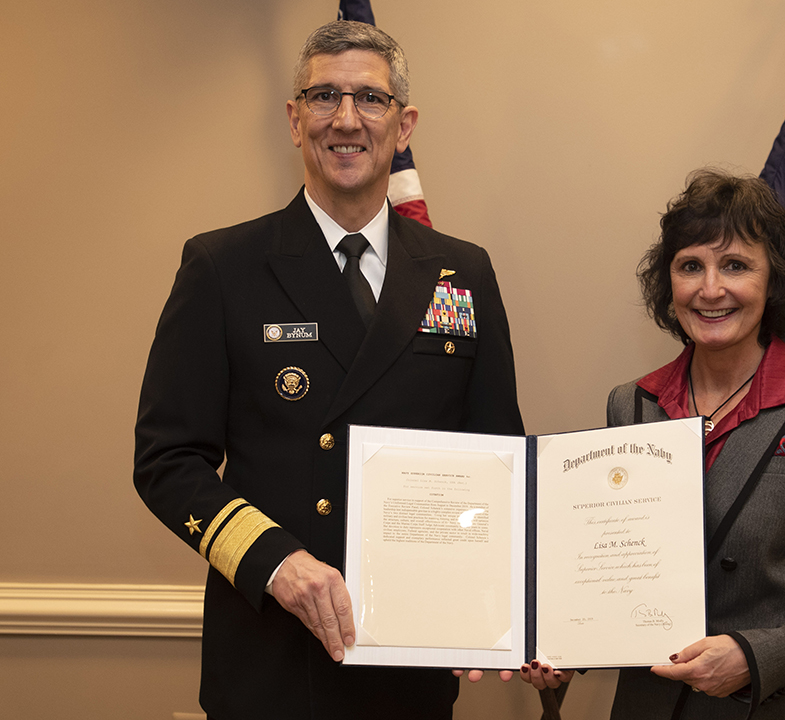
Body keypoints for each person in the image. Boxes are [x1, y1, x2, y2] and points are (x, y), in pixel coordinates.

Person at [134, 20, 523, 720]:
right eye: (323, 97)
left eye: (370, 100)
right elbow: (167, 460)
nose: (346, 120)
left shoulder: (461, 271)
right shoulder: (223, 267)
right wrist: (277, 563)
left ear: (403, 125)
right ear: (293, 120)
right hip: (269, 661)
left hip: (409, 664)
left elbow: (497, 456)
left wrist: (503, 606)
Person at [519, 169, 785, 718]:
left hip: (772, 706)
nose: (710, 288)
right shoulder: (631, 405)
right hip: (649, 705)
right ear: (669, 283)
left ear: (775, 282)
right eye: (690, 265)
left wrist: (752, 655)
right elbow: (612, 569)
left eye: (736, 265)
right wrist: (564, 645)